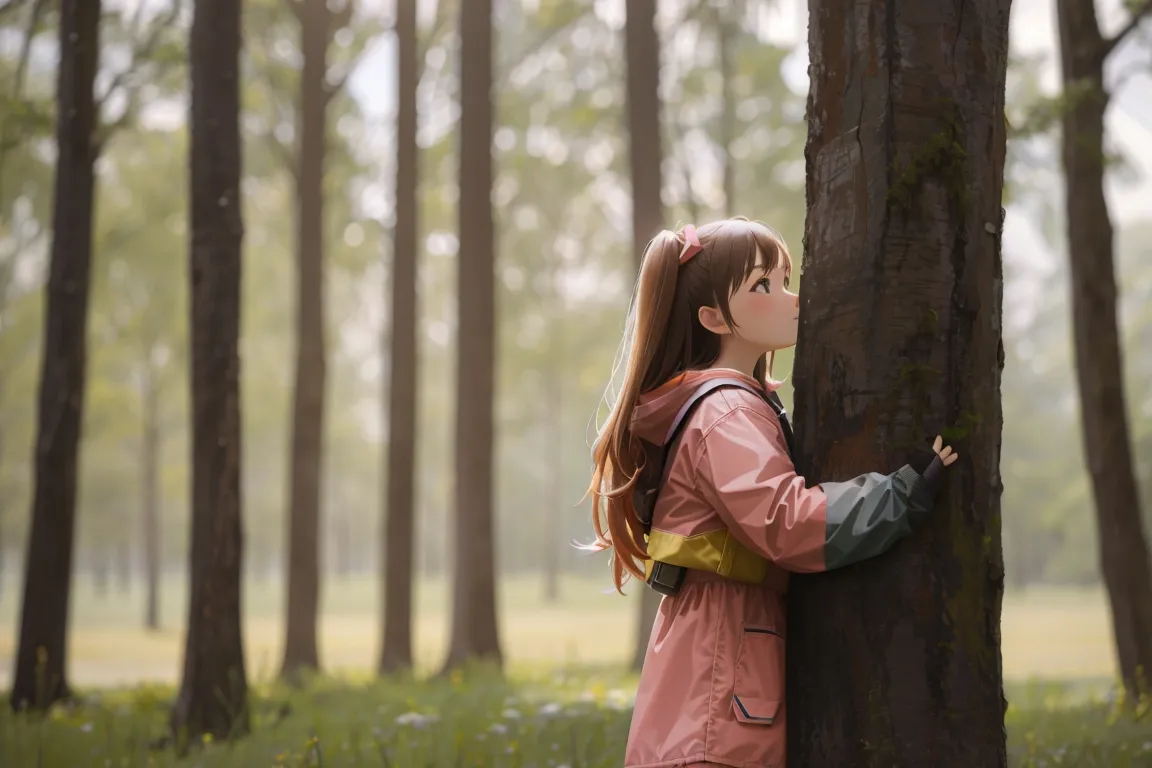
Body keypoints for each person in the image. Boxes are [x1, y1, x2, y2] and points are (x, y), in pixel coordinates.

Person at [586, 218, 959, 768]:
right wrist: (896, 497)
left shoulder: (730, 404)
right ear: (712, 317)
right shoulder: (725, 413)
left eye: (785, 279)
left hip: (710, 664)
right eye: (764, 286)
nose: (792, 297)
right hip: (717, 676)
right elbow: (785, 521)